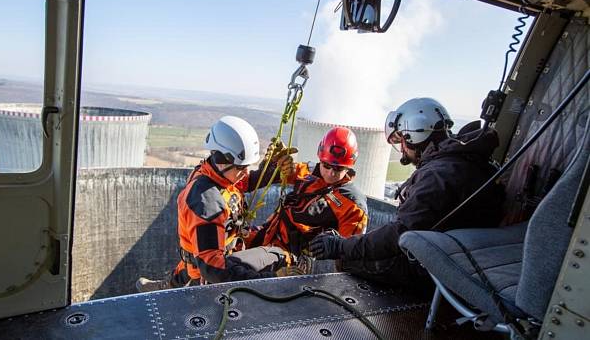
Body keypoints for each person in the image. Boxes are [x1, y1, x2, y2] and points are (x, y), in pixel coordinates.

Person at [308, 98, 506, 289]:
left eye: (401, 140)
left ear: (415, 134)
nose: (401, 149)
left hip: (435, 267)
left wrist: (340, 247)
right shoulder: (461, 161)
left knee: (348, 260)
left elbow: (398, 235)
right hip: (460, 254)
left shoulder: (437, 176)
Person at [136, 116, 297, 291]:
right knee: (278, 255)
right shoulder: (206, 203)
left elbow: (248, 182)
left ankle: (170, 284)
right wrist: (270, 279)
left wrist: (273, 169)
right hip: (209, 271)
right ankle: (171, 287)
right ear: (222, 160)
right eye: (241, 167)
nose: (245, 172)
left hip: (214, 252)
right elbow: (213, 268)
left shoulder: (216, 174)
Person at [252, 127, 368, 269]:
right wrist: (274, 163)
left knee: (235, 265)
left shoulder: (352, 205)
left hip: (288, 257)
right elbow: (276, 175)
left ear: (349, 166)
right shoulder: (309, 171)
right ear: (320, 159)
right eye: (326, 165)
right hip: (269, 233)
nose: (331, 173)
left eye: (338, 169)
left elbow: (348, 252)